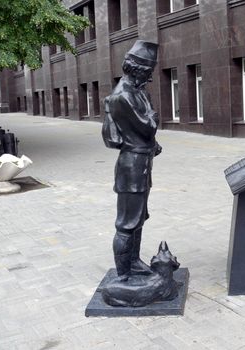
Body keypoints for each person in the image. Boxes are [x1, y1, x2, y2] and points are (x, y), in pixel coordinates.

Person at [102, 40, 161, 281]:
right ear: (138, 69)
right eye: (148, 73)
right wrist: (152, 115)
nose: (150, 78)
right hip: (132, 166)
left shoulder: (137, 92)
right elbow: (149, 126)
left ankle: (134, 262)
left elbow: (147, 130)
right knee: (126, 222)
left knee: (138, 217)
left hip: (142, 163)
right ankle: (123, 275)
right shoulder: (123, 97)